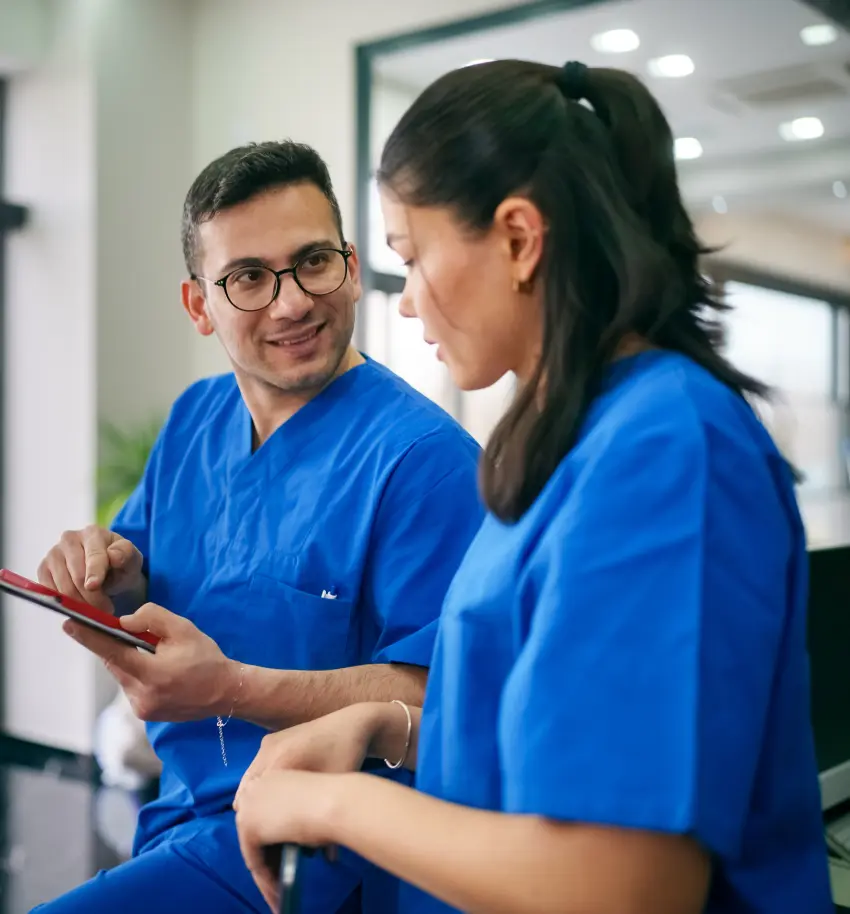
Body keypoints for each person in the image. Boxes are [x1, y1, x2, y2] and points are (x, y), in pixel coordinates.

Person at [232, 61, 834, 914]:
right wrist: (389, 727)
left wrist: (340, 804)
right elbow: (535, 722)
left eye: (412, 256)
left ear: (518, 238)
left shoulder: (667, 452)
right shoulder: (572, 434)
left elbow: (622, 884)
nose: (406, 307)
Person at [33, 141, 483, 914]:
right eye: (247, 278)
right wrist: (110, 567)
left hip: (320, 857)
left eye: (313, 261)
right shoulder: (193, 420)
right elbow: (153, 563)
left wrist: (232, 688)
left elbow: (437, 695)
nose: (291, 302)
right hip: (178, 814)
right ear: (199, 305)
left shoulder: (427, 461)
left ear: (348, 261)